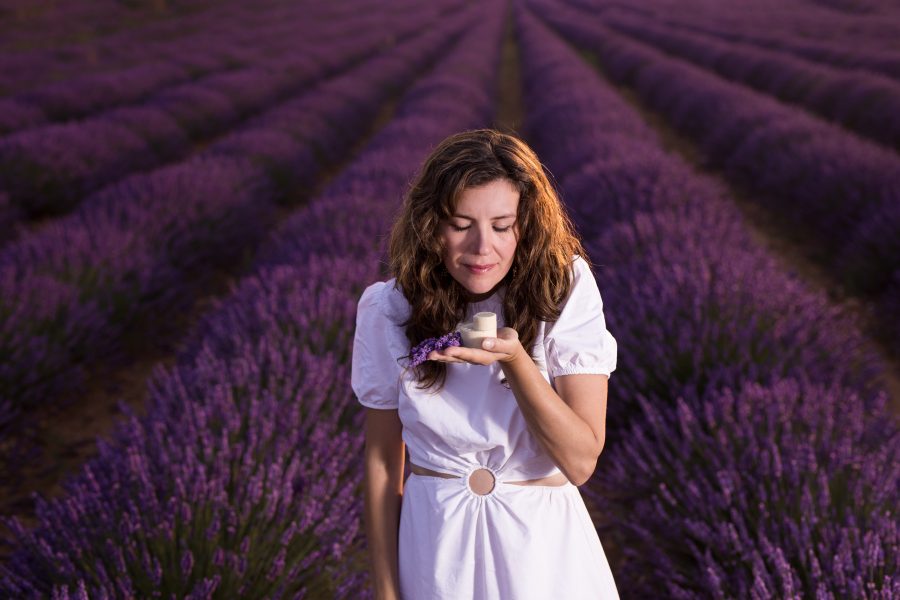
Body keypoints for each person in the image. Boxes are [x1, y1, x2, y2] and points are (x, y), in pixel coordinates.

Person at [352, 128, 620, 599]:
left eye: (501, 226)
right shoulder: (387, 308)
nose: (481, 248)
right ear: (430, 224)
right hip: (435, 547)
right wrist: (386, 590)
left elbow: (580, 461)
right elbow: (380, 465)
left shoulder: (562, 292)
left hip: (541, 551)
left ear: (526, 226)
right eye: (460, 224)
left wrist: (516, 361)